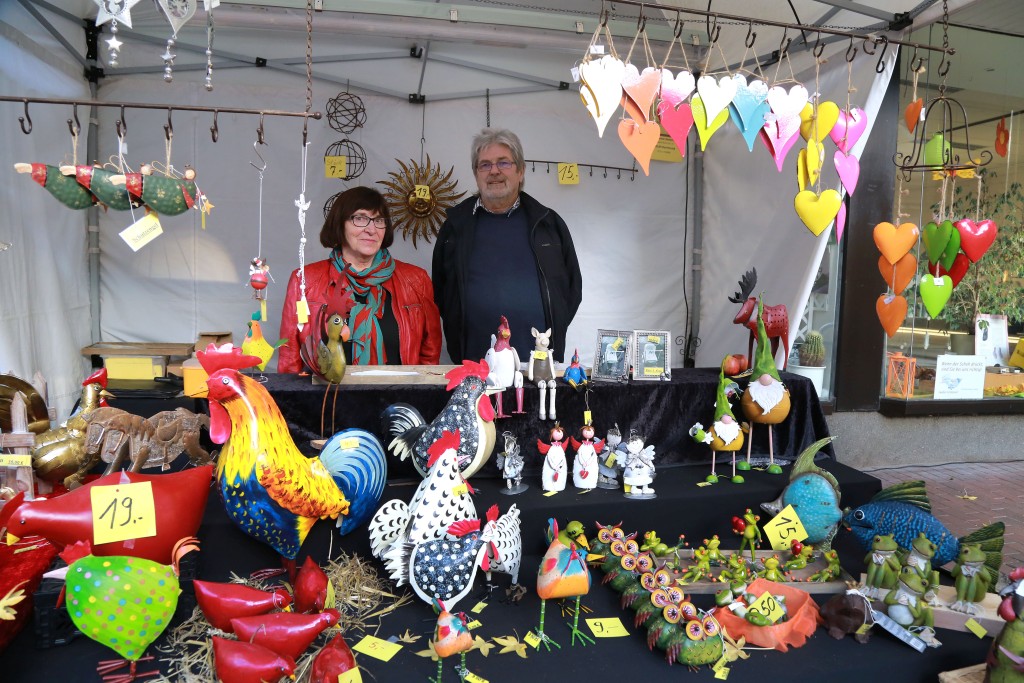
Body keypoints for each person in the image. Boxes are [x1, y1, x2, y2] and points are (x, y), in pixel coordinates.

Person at [432, 128, 582, 363]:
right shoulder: (455, 226)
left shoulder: (549, 223)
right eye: (485, 165)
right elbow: (442, 291)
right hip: (473, 361)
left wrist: (551, 330)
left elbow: (571, 289)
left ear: (520, 171)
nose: (494, 171)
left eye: (503, 163)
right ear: (476, 173)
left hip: (537, 361)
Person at [278, 186, 441, 372]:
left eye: (378, 220)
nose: (371, 229)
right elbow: (290, 358)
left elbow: (430, 354)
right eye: (360, 218)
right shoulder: (305, 281)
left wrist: (421, 388)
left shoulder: (416, 280)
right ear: (339, 224)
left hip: (399, 390)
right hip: (326, 391)